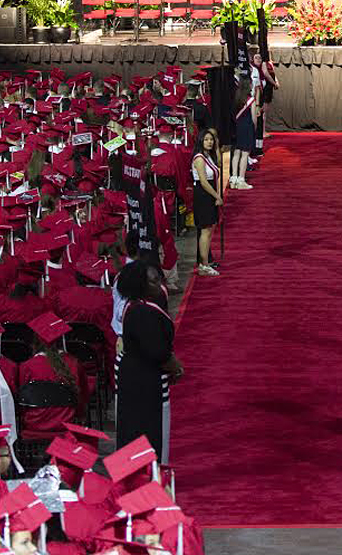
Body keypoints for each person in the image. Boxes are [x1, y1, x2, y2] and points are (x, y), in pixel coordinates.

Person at [115, 261, 182, 463]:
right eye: (153, 281)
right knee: (149, 433)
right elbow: (158, 351)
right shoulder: (142, 312)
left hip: (137, 376)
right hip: (144, 382)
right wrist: (176, 367)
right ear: (140, 286)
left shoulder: (138, 306)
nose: (159, 285)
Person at [191, 128, 222, 276]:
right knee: (205, 230)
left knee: (209, 230)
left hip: (210, 193)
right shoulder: (199, 158)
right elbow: (203, 181)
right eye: (206, 140)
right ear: (201, 141)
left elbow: (219, 166)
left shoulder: (209, 155)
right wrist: (217, 196)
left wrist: (216, 149)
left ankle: (206, 261)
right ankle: (203, 264)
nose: (210, 142)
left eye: (211, 139)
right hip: (203, 195)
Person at [230, 77, 255, 190]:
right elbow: (254, 118)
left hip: (236, 128)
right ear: (248, 86)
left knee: (236, 153)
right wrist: (253, 128)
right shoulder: (251, 100)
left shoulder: (235, 98)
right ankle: (241, 180)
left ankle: (233, 178)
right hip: (247, 128)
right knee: (244, 154)